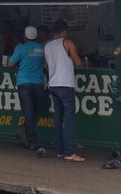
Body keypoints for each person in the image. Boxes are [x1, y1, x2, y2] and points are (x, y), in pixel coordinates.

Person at [44, 20, 85, 162]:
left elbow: (47, 67)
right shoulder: (67, 43)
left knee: (58, 118)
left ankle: (60, 151)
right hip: (65, 84)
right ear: (64, 31)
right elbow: (78, 62)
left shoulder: (47, 45)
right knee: (69, 119)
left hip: (53, 84)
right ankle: (68, 152)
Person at [9, 26, 45, 150]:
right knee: (36, 111)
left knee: (29, 113)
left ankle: (29, 137)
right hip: (39, 83)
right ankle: (29, 137)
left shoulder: (20, 48)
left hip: (24, 82)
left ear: (25, 36)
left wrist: (18, 70)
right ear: (36, 36)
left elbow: (11, 63)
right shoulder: (42, 48)